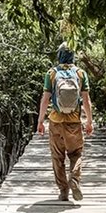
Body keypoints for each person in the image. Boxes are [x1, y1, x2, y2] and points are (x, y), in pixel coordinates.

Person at [36, 43, 94, 201]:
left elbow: (45, 99)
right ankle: (74, 180)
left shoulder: (52, 73)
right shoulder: (81, 73)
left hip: (55, 121)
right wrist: (89, 121)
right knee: (76, 154)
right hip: (74, 122)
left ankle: (63, 191)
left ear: (59, 55)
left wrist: (40, 121)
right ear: (73, 56)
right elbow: (86, 100)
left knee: (57, 156)